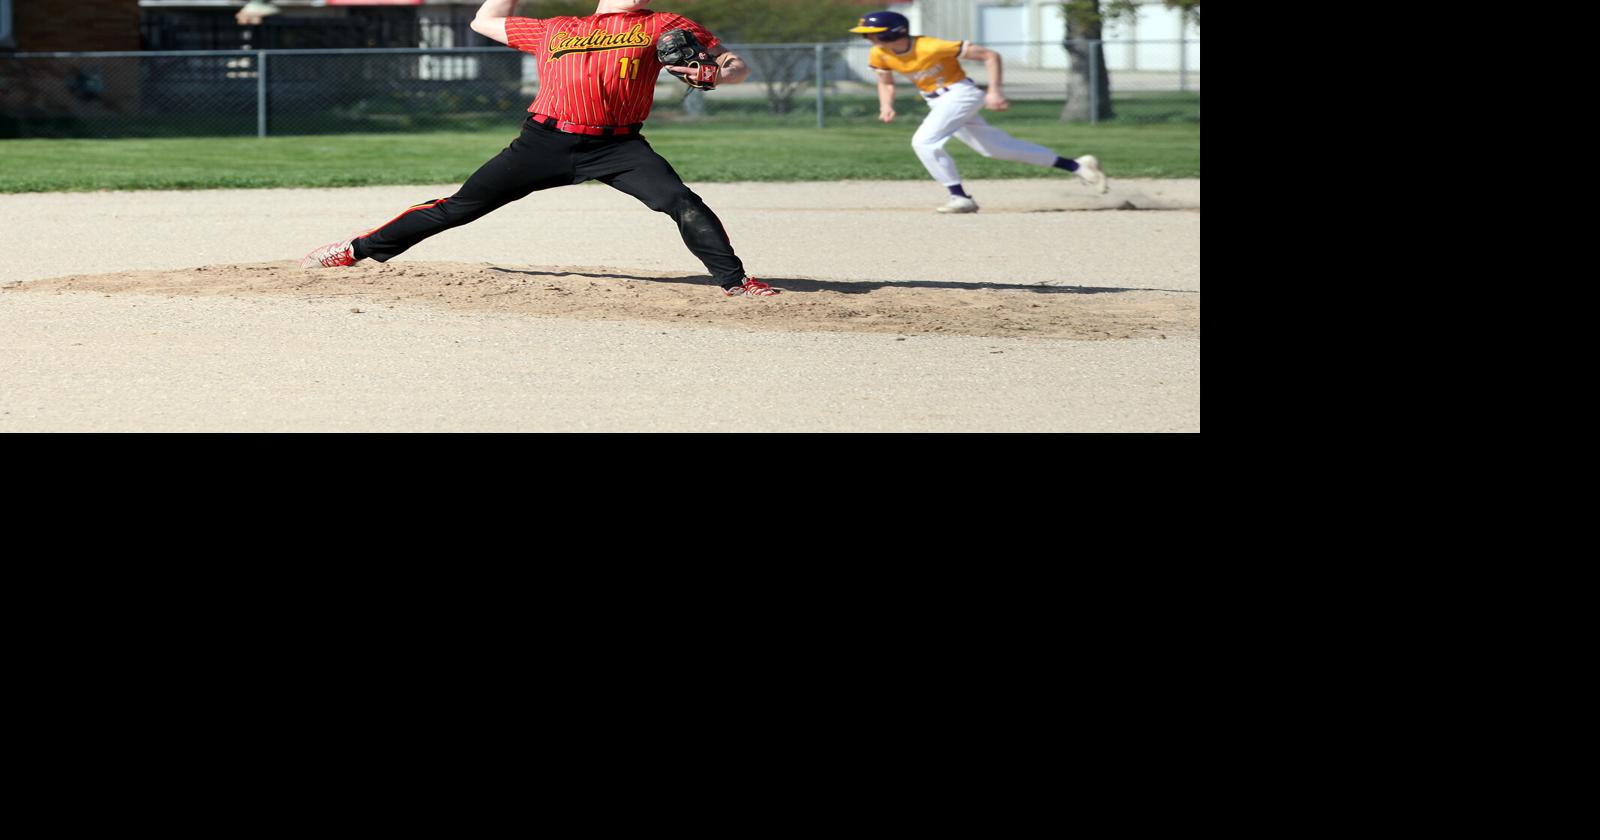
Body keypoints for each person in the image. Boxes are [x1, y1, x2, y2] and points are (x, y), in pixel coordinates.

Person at [300, 0, 778, 298]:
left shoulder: (665, 24)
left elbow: (735, 67)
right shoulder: (558, 27)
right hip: (543, 142)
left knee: (681, 201)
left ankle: (736, 282)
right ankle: (354, 249)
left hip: (619, 146)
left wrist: (717, 72)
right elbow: (485, 20)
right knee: (458, 208)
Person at [849, 11, 1109, 215]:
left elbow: (989, 55)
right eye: (867, 36)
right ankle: (1076, 165)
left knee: (924, 141)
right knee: (995, 148)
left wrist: (995, 91)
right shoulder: (880, 54)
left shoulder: (931, 46)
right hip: (938, 101)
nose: (871, 40)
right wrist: (886, 105)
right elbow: (885, 82)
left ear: (896, 32)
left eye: (875, 35)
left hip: (960, 94)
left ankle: (959, 197)